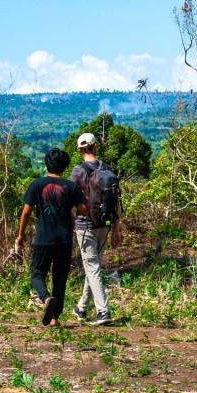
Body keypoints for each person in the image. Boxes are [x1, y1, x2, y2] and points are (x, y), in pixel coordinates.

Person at [16, 148, 87, 327]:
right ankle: (54, 317)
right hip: (64, 239)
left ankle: (46, 298)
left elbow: (26, 213)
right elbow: (83, 210)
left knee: (37, 273)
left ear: (47, 163)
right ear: (65, 166)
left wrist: (21, 235)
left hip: (43, 238)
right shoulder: (71, 186)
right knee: (60, 278)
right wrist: (81, 196)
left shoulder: (36, 184)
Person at [70, 132, 121, 325]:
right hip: (105, 224)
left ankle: (103, 311)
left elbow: (70, 198)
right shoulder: (108, 169)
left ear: (79, 150)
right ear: (95, 147)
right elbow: (116, 201)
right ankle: (81, 308)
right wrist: (116, 229)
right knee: (94, 268)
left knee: (92, 269)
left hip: (86, 225)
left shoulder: (78, 171)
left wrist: (71, 221)